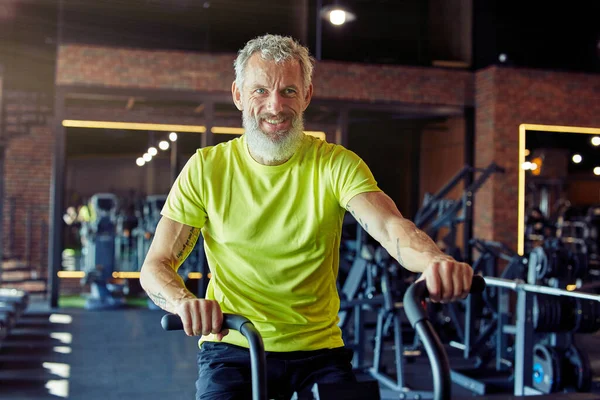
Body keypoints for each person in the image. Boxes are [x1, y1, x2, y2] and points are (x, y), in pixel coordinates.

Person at [139, 34, 474, 400]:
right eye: (260, 91)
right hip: (233, 344)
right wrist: (183, 303)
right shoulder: (206, 169)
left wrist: (434, 261)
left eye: (288, 92)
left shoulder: (335, 164)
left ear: (307, 96)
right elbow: (156, 265)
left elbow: (390, 226)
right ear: (238, 95)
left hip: (320, 351)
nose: (275, 106)